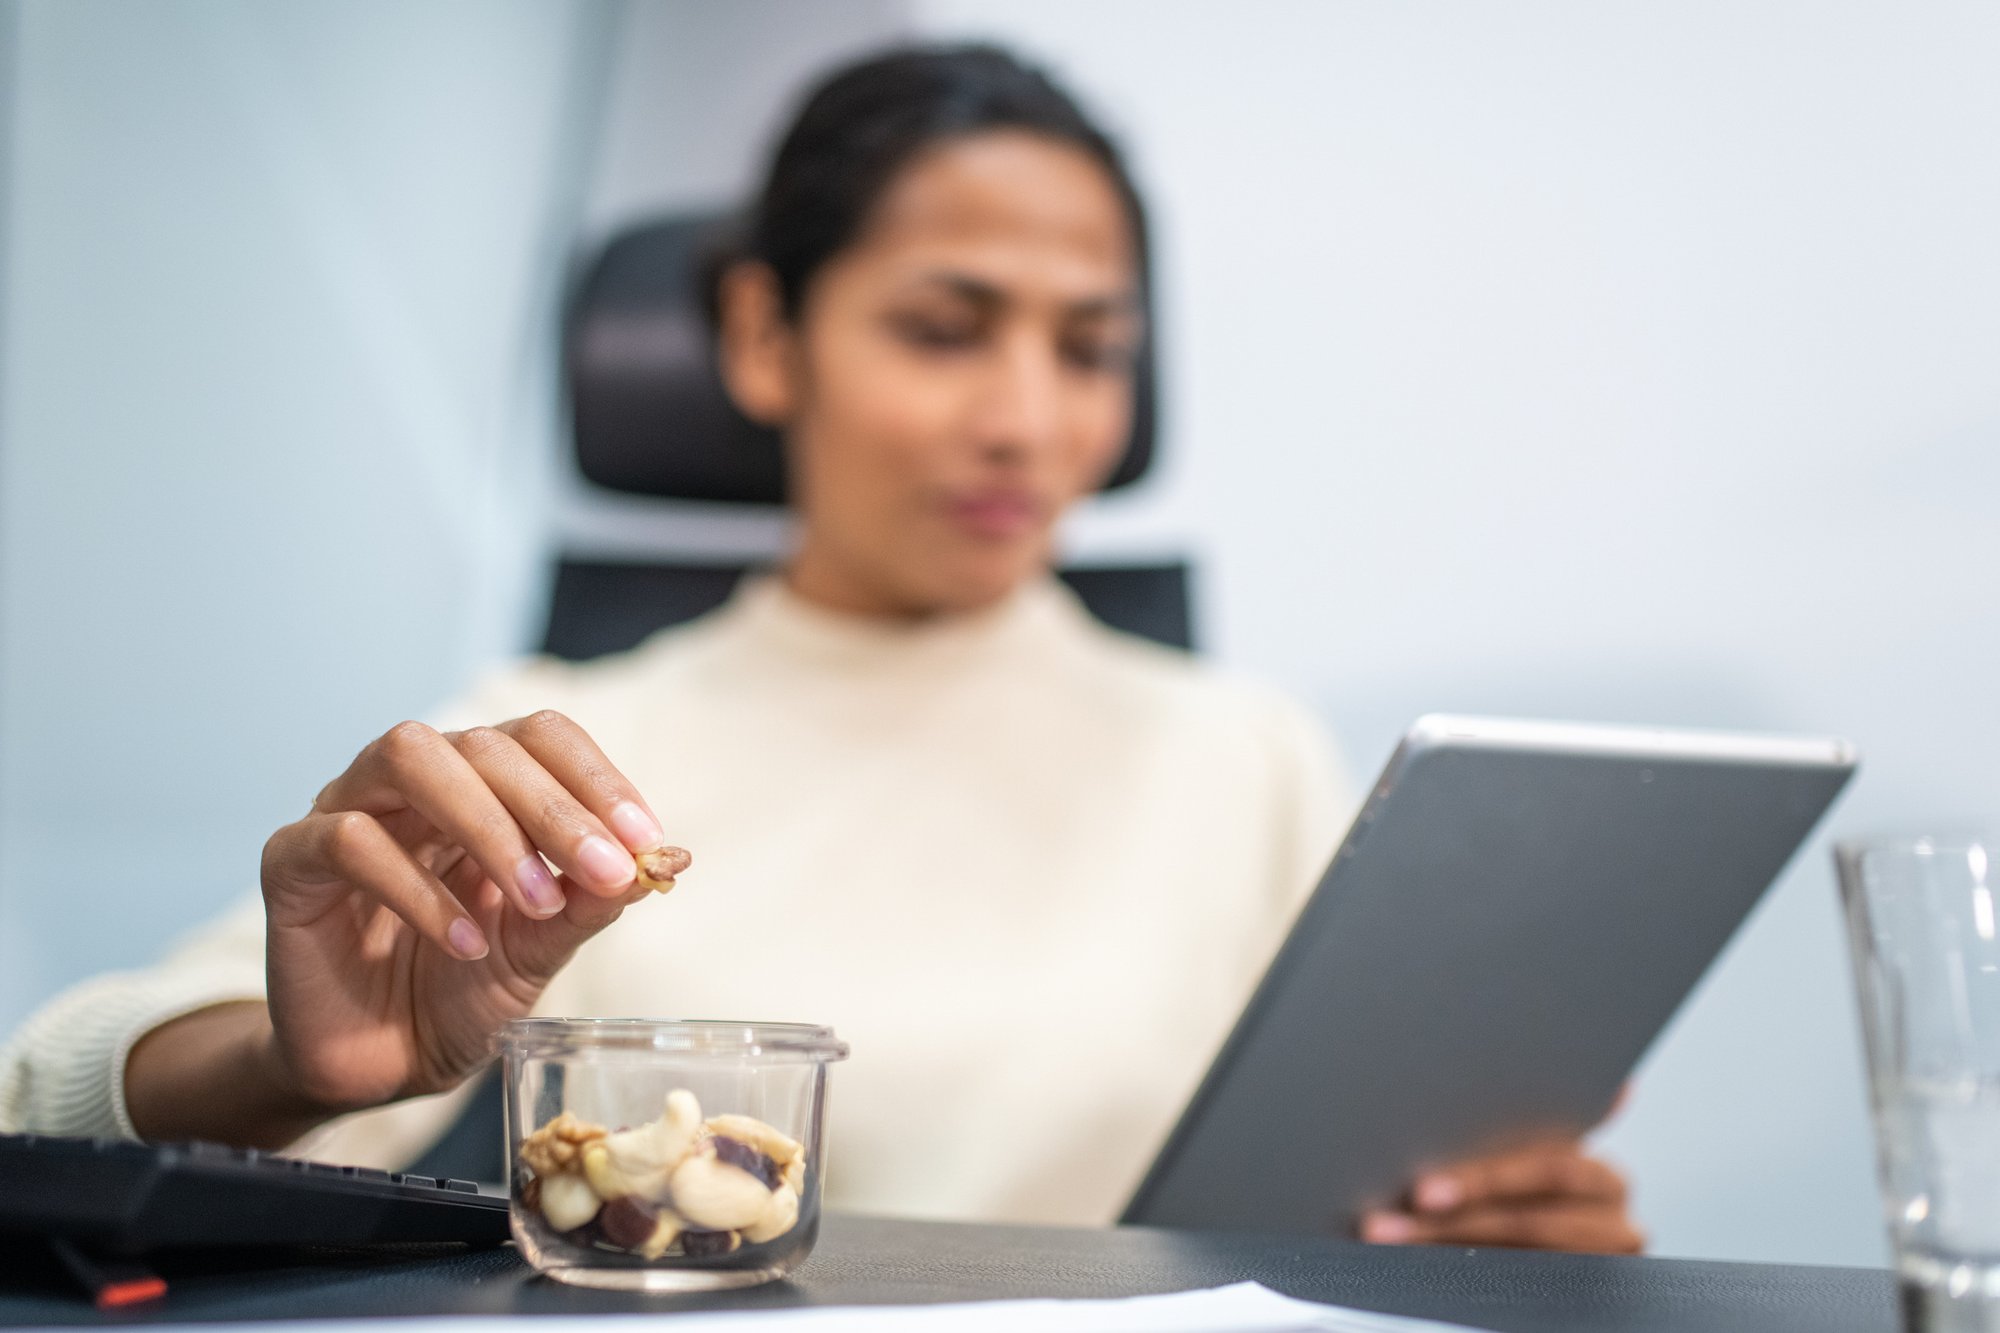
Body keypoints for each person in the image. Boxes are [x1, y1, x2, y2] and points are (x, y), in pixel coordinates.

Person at [0, 45, 1639, 1254]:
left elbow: (1350, 1210)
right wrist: (289, 1062)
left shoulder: (1248, 753)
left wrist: (1499, 1235)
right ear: (764, 337)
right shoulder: (554, 750)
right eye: (943, 327)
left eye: (1091, 349)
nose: (1025, 420)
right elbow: (55, 1097)